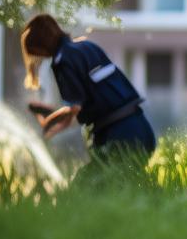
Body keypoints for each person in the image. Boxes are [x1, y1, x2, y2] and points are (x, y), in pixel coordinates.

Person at [20, 13, 156, 179]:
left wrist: (47, 127)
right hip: (142, 130)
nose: (39, 57)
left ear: (41, 46)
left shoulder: (63, 61)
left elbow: (73, 110)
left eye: (36, 52)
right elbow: (92, 100)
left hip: (119, 138)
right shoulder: (86, 46)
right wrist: (52, 116)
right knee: (130, 186)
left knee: (84, 189)